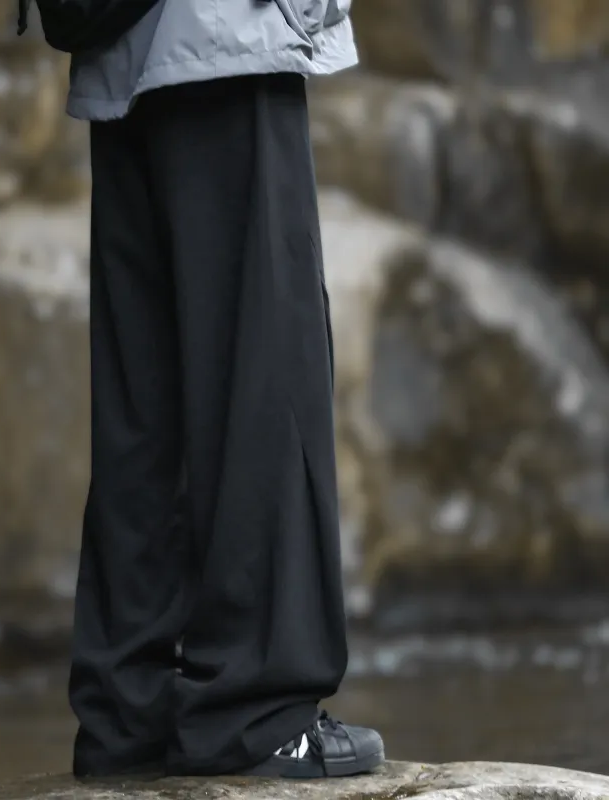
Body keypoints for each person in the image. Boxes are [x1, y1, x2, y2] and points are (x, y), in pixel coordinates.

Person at [65, 0, 385, 780]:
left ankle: (129, 716)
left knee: (147, 397)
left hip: (122, 44)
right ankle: (254, 714)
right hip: (225, 27)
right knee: (261, 372)